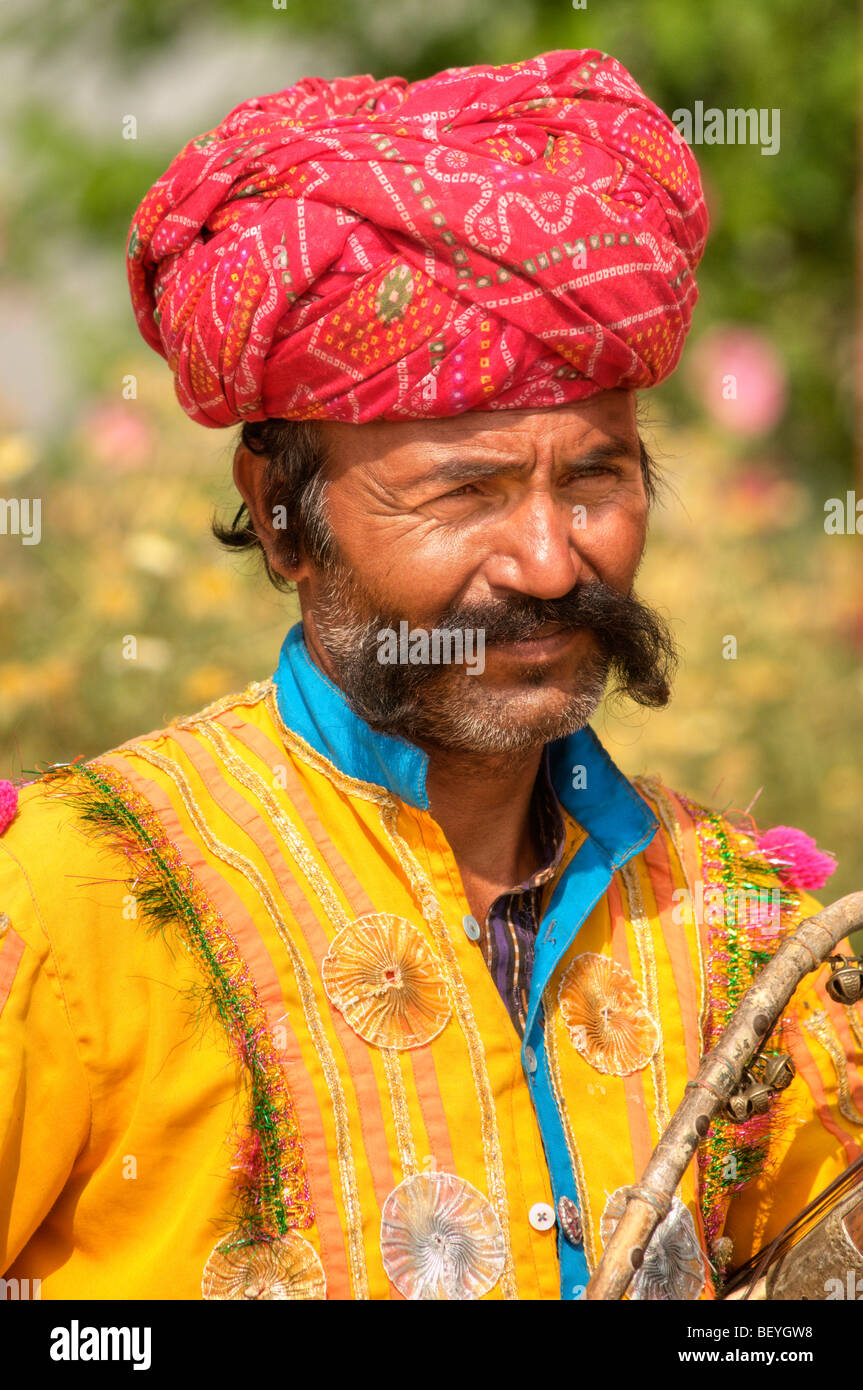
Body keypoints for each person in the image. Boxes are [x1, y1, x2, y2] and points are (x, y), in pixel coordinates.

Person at [1, 48, 860, 1303]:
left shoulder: (737, 929)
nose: (551, 562)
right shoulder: (79, 901)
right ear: (281, 516)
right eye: (461, 491)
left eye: (596, 481)